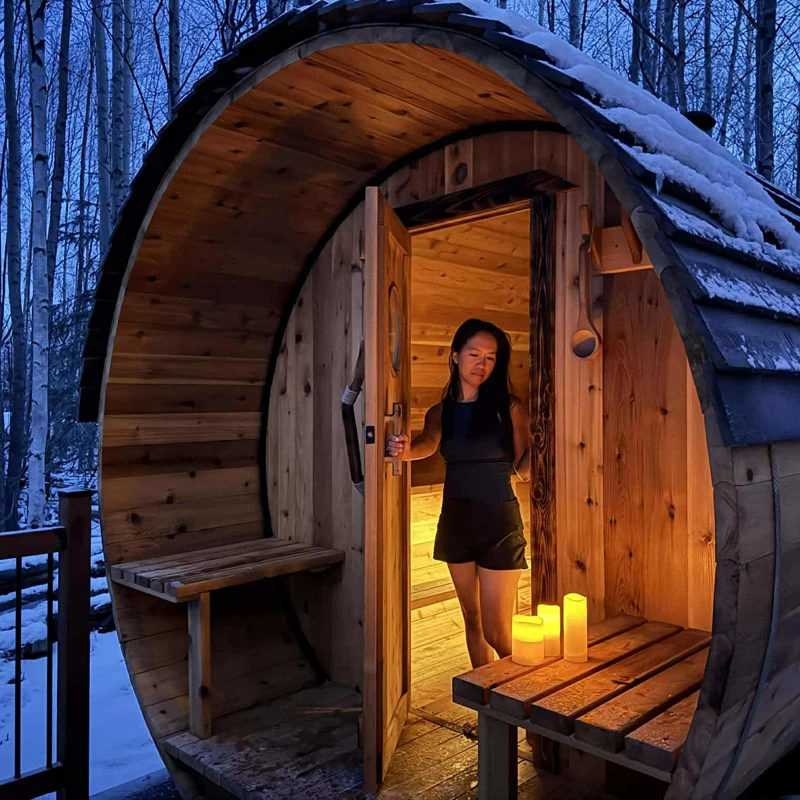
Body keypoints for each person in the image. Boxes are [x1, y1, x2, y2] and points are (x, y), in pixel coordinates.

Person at [386, 318, 530, 669]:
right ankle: (486, 710)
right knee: (473, 620)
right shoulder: (441, 411)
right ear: (454, 357)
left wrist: (548, 440)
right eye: (474, 354)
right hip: (456, 522)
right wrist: (402, 449)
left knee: (498, 631)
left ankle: (525, 702)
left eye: (491, 358)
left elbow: (524, 468)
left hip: (499, 521)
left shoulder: (509, 407)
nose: (482, 364)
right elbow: (426, 445)